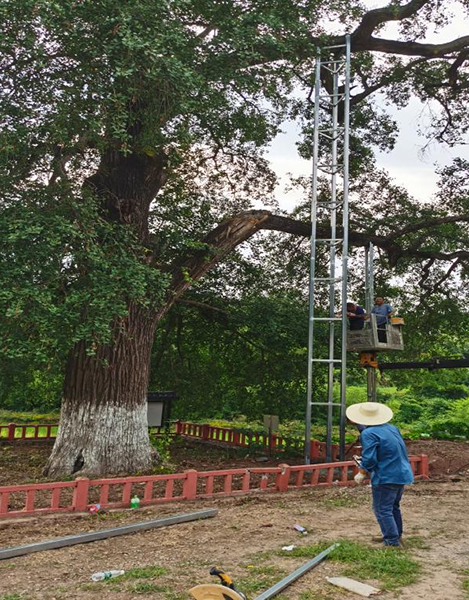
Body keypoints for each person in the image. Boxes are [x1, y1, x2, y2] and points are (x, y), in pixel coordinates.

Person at [346, 402, 414, 548]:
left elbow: (370, 458)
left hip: (386, 475)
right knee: (393, 506)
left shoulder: (368, 433)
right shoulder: (391, 428)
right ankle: (395, 534)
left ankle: (391, 541)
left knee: (382, 508)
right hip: (401, 472)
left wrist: (362, 472)